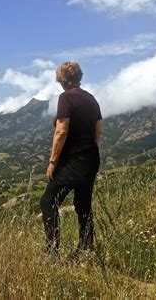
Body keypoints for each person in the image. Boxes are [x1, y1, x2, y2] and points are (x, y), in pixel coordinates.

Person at [40, 61, 102, 258]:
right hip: (91, 157)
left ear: (62, 79)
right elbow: (98, 132)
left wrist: (53, 162)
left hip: (73, 160)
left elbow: (61, 131)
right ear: (79, 76)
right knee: (83, 204)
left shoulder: (66, 98)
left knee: (48, 201)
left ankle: (52, 251)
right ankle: (86, 248)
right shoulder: (91, 99)